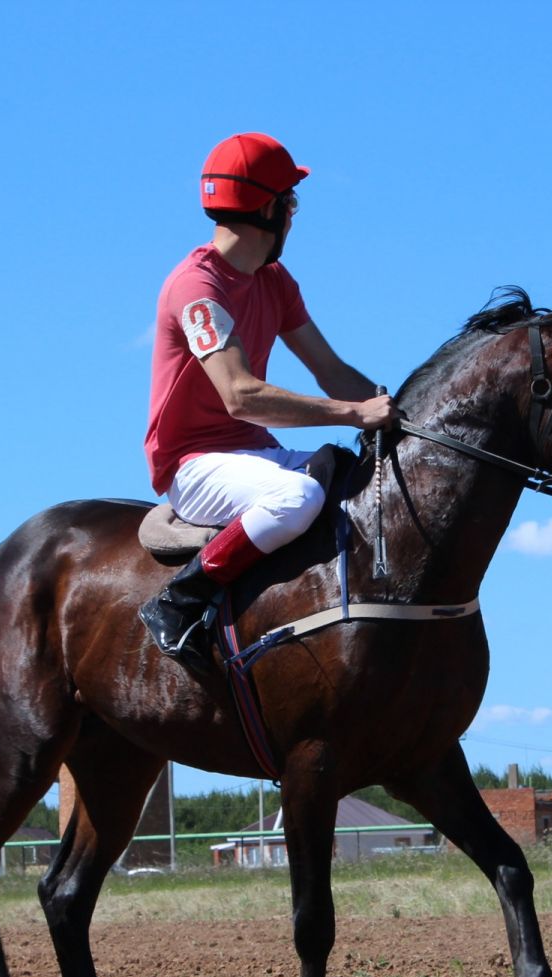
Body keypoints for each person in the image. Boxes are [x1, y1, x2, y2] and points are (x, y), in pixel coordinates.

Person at [139, 132, 399, 673]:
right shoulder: (196, 287)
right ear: (267, 207)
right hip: (193, 467)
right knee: (298, 497)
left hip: (251, 455)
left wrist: (399, 412)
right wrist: (355, 414)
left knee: (352, 476)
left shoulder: (274, 281)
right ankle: (180, 598)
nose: (294, 218)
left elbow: (331, 371)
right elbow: (240, 396)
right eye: (291, 204)